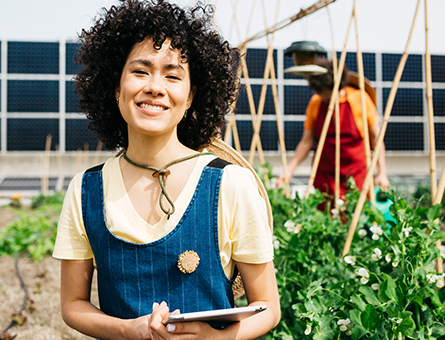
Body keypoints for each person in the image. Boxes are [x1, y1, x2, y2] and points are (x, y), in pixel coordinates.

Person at [52, 1, 280, 339]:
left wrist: (214, 337)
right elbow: (72, 304)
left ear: (190, 97)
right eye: (140, 71)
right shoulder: (86, 190)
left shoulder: (230, 183)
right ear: (116, 89)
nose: (155, 87)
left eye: (172, 76)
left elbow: (269, 308)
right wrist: (128, 329)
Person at [277, 58, 389, 200]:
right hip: (325, 173)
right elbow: (306, 141)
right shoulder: (316, 103)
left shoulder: (360, 99)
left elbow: (376, 138)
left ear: (338, 86)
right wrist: (289, 170)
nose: (323, 96)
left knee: (357, 213)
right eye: (320, 92)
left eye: (326, 93)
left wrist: (382, 173)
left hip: (356, 172)